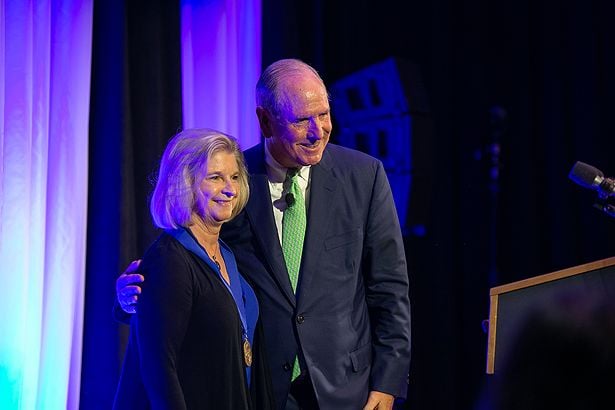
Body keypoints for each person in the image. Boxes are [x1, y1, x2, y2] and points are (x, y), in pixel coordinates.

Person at [116, 59, 411, 410]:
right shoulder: (234, 180)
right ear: (266, 120)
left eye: (324, 115)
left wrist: (388, 382)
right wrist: (130, 299)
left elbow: (390, 288)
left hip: (346, 389)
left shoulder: (364, 176)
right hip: (259, 390)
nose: (318, 131)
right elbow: (181, 271)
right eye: (302, 120)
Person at [113, 129, 273, 409]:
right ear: (185, 183)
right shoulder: (170, 259)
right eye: (215, 177)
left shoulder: (226, 253)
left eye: (234, 177)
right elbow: (159, 369)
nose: (230, 189)